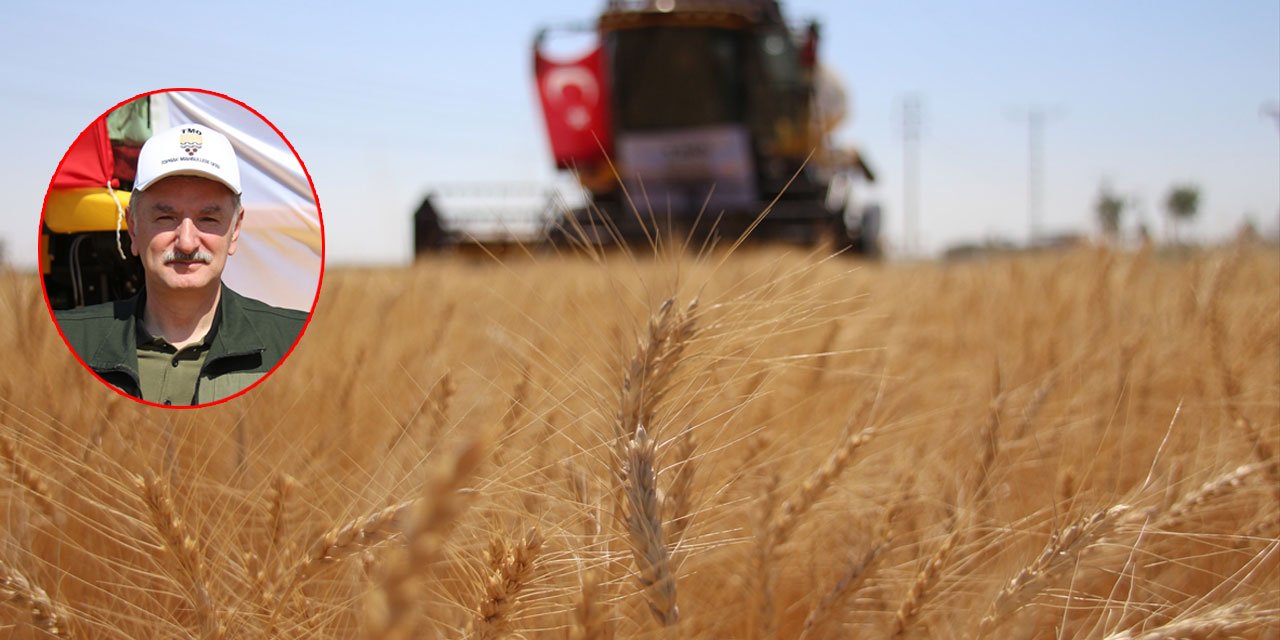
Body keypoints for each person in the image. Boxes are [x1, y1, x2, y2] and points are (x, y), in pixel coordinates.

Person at [55, 124, 307, 406]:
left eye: (208, 219)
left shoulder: (296, 342)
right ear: (134, 228)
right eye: (166, 218)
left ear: (235, 230)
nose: (187, 243)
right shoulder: (63, 341)